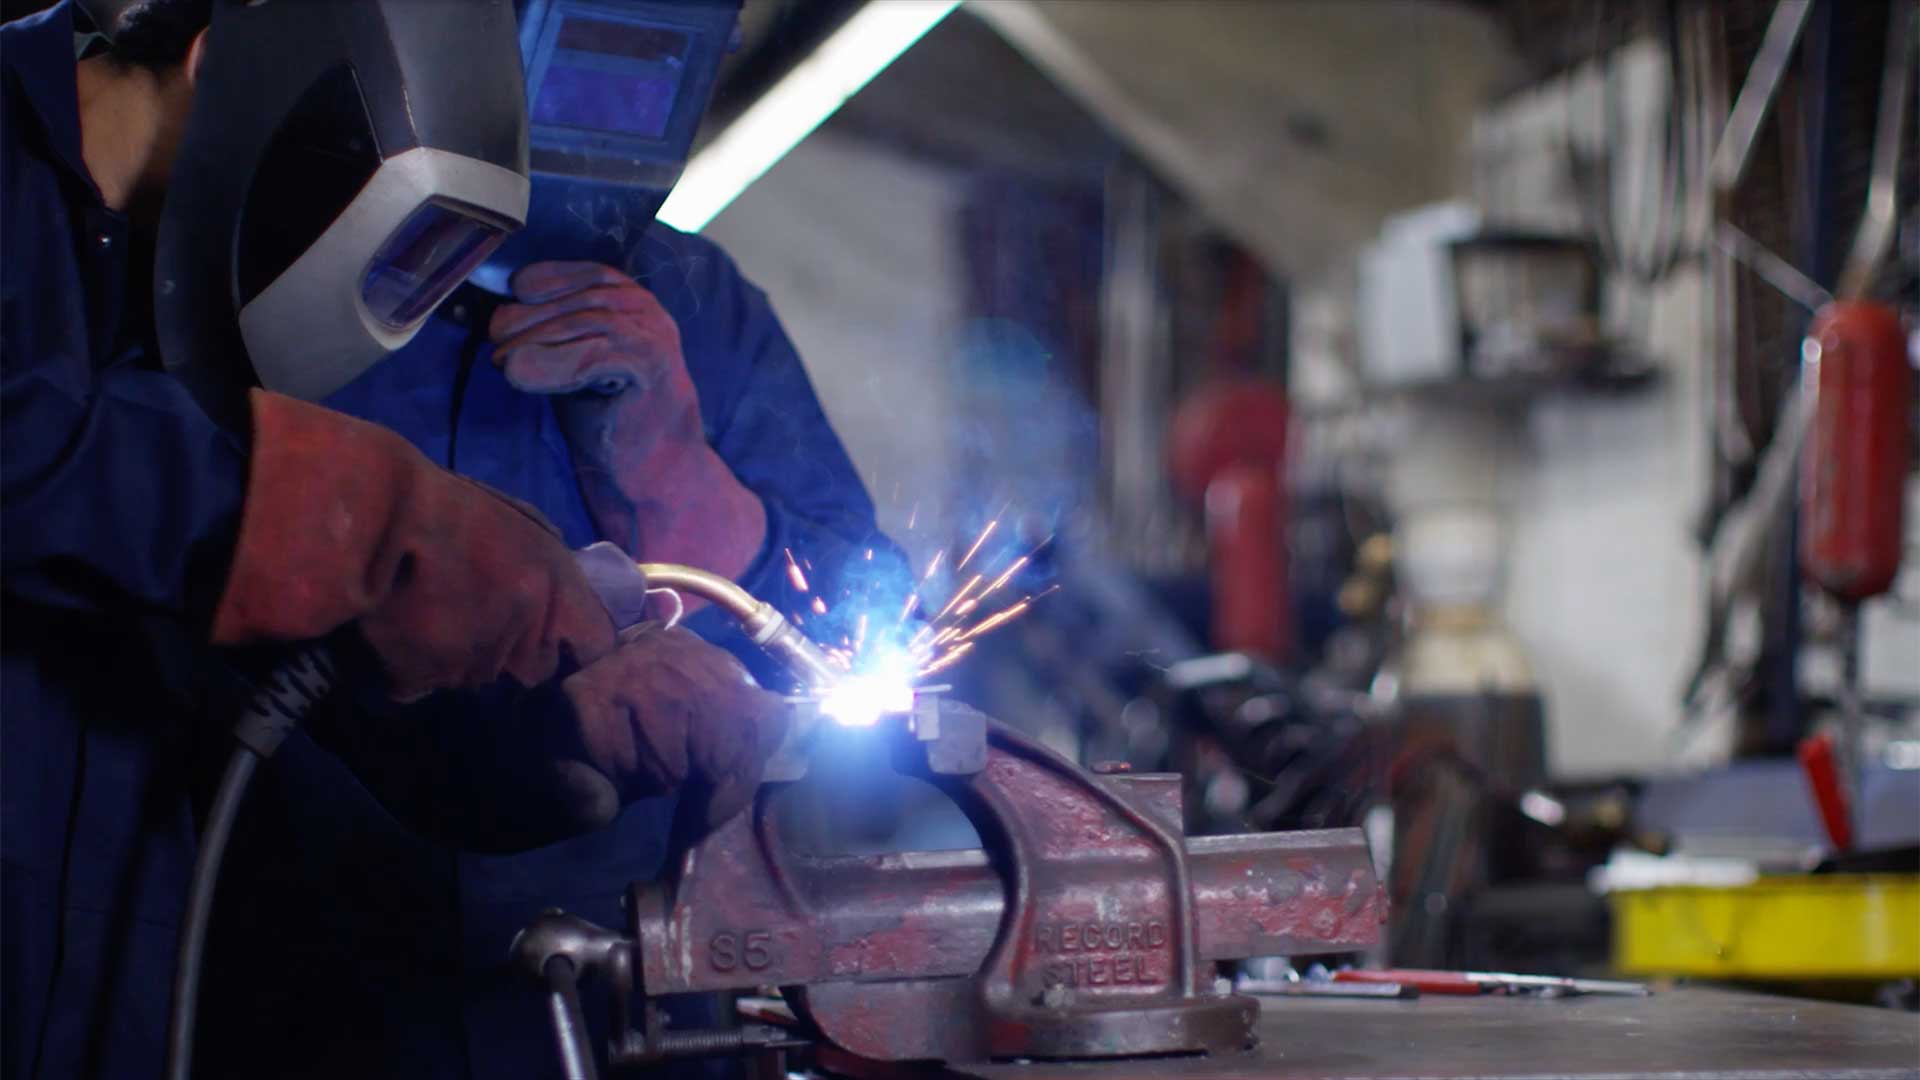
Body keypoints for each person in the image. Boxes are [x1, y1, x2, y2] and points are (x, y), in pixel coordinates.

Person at [1, 2, 790, 1077]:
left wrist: (554, 736)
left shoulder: (163, 300)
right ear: (223, 54)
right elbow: (36, 452)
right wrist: (368, 525)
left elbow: (315, 694)